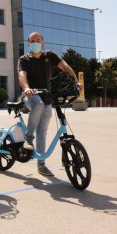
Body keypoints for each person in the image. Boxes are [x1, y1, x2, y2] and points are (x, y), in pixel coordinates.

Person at [18, 32, 80, 176]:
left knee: (43, 132)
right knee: (38, 104)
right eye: (32, 40)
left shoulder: (49, 56)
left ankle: (41, 165)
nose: (35, 42)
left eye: (38, 40)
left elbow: (64, 66)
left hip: (46, 97)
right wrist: (26, 88)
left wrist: (76, 80)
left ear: (42, 42)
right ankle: (28, 139)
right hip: (30, 96)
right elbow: (22, 75)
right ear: (28, 44)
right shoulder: (24, 59)